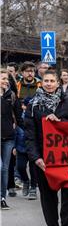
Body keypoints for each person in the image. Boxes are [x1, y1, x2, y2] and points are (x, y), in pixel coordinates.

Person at [24, 69, 68, 226]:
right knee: (48, 194)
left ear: (57, 83)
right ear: (42, 82)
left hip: (65, 157)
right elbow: (29, 135)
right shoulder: (34, 105)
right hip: (43, 158)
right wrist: (36, 158)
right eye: (46, 81)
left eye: (52, 81)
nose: (48, 84)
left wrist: (61, 122)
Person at [1, 70, 22, 210]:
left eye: (6, 78)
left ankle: (2, 197)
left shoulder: (12, 96)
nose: (4, 80)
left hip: (8, 137)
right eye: (2, 78)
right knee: (0, 167)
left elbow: (19, 117)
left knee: (5, 169)